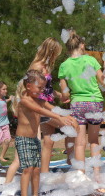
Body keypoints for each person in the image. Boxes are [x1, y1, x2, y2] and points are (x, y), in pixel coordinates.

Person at [13, 70, 78, 196]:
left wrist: (68, 116)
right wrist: (59, 118)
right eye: (39, 87)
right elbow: (39, 110)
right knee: (27, 169)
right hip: (23, 140)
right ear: (28, 86)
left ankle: (36, 194)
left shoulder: (39, 100)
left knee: (36, 169)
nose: (42, 90)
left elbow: (53, 108)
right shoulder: (24, 101)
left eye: (43, 87)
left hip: (34, 140)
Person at [58, 30, 105, 181]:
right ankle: (97, 175)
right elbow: (103, 81)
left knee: (79, 143)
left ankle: (81, 175)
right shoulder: (91, 60)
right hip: (94, 102)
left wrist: (66, 98)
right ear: (82, 45)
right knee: (94, 140)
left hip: (77, 103)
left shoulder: (64, 65)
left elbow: (64, 92)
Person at [27, 37, 74, 173]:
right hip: (41, 107)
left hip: (47, 104)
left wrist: (60, 95)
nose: (56, 56)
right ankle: (70, 159)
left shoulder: (45, 66)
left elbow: (46, 89)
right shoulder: (37, 66)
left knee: (49, 141)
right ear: (50, 50)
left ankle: (44, 173)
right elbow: (33, 91)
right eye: (56, 53)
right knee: (71, 126)